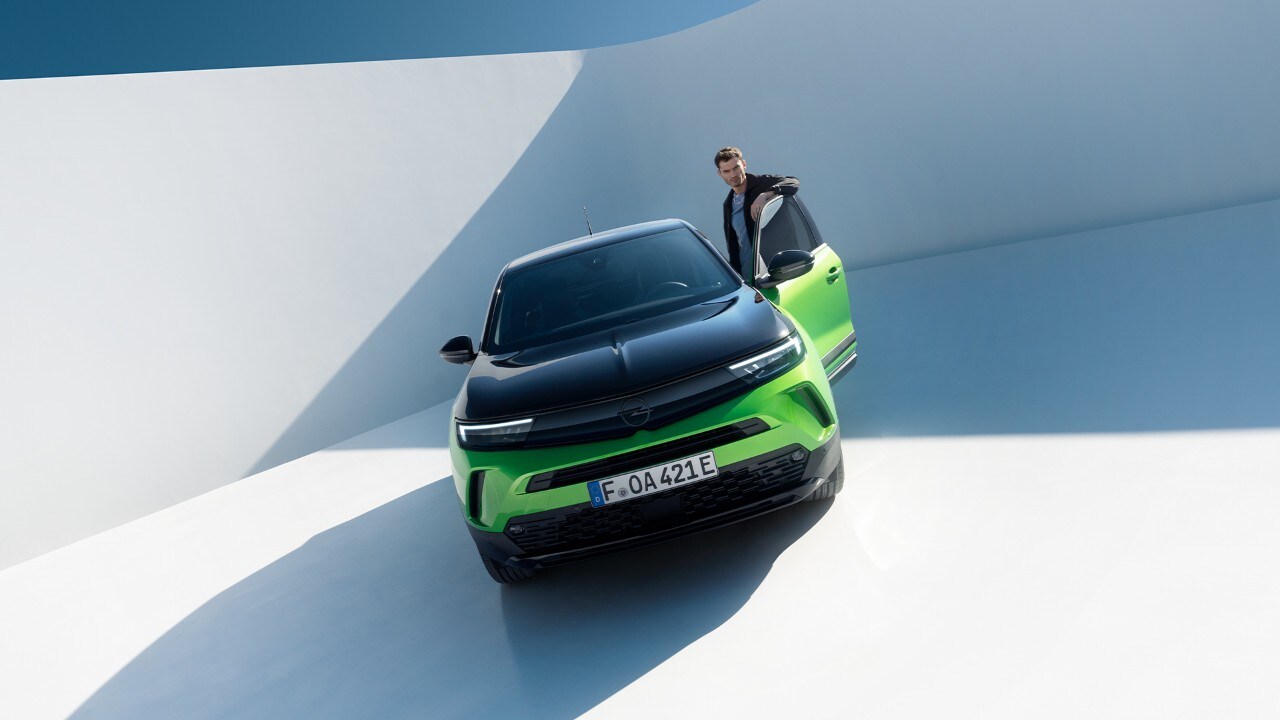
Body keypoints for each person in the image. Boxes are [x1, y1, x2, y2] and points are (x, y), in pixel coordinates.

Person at [715, 146, 799, 279]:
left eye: (736, 167)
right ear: (720, 174)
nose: (733, 174)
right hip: (748, 279)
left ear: (744, 164)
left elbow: (793, 182)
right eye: (726, 171)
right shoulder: (728, 205)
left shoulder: (762, 183)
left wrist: (766, 194)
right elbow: (735, 246)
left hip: (775, 274)